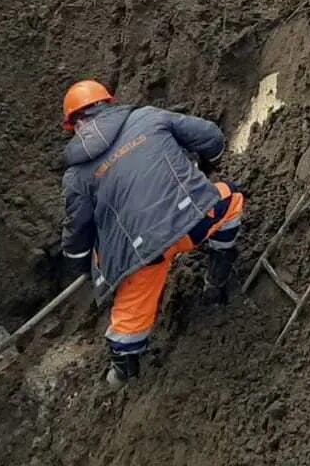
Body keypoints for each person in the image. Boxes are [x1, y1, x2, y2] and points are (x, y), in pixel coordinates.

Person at [59, 79, 245, 389]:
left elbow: (79, 233)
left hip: (144, 256)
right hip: (191, 221)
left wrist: (81, 266)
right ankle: (217, 279)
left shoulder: (76, 175)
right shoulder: (148, 117)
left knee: (130, 317)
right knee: (232, 200)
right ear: (107, 104)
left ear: (77, 124)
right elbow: (211, 137)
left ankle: (122, 374)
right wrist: (210, 166)